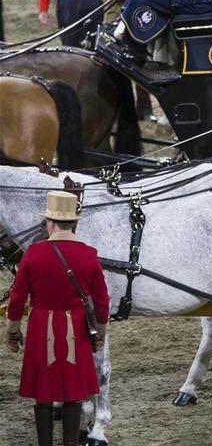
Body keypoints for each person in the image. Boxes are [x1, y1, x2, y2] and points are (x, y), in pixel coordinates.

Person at [6, 190, 110, 446]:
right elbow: (102, 302)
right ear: (75, 223)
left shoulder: (33, 254)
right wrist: (100, 336)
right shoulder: (89, 255)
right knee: (73, 395)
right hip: (76, 330)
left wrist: (12, 331)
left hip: (43, 327)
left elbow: (17, 298)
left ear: (50, 222)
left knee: (43, 395)